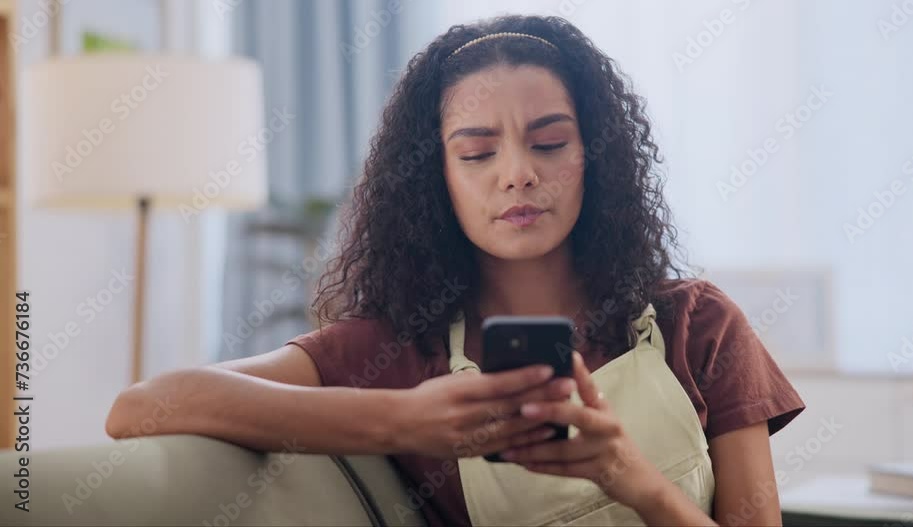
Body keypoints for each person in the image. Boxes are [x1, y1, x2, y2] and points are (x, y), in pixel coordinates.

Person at [106, 14, 804, 526]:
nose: (519, 175)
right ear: (433, 178)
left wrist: (628, 475)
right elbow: (140, 407)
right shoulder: (395, 350)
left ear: (596, 156)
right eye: (476, 154)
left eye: (551, 143)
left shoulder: (699, 324)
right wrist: (401, 419)